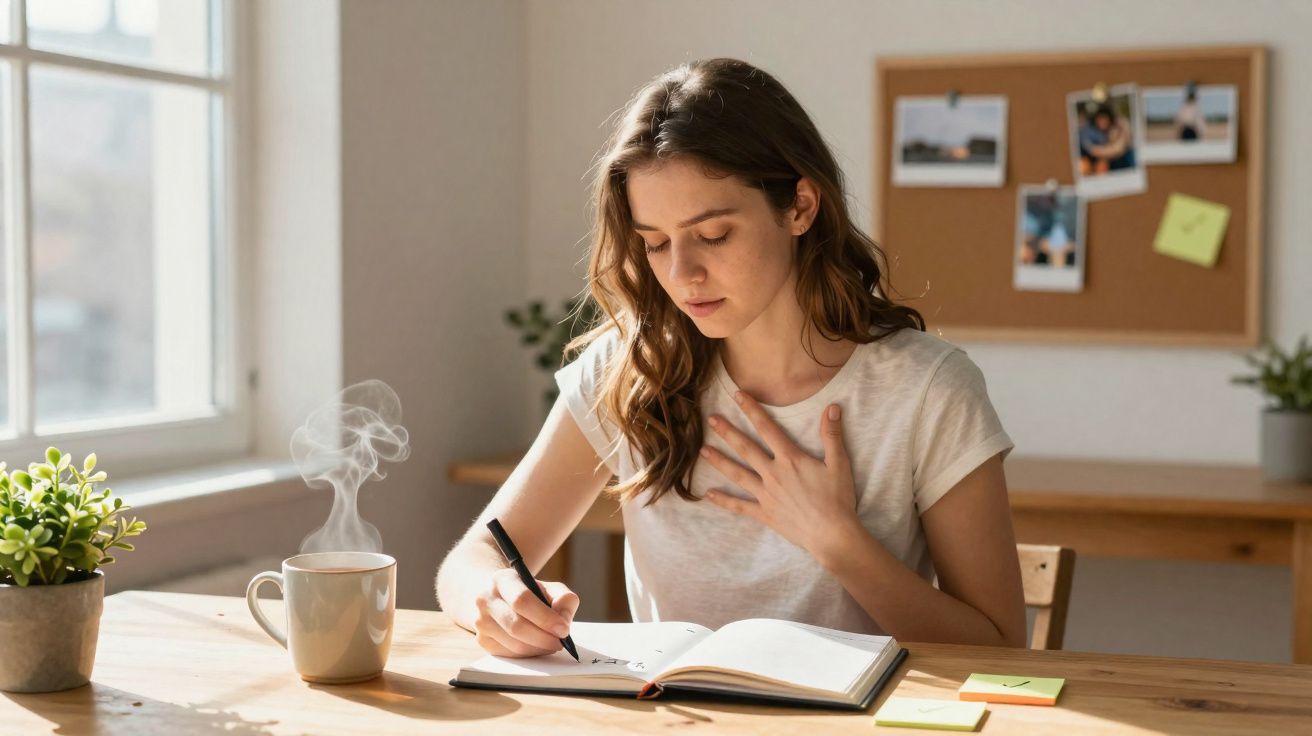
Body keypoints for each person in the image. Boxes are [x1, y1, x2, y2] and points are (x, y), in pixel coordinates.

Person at [436, 57, 1027, 658]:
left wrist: (837, 541)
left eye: (713, 235)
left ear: (799, 206)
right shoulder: (629, 371)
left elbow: (1002, 646)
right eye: (655, 243)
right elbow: (473, 560)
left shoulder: (930, 390)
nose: (681, 274)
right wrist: (494, 597)